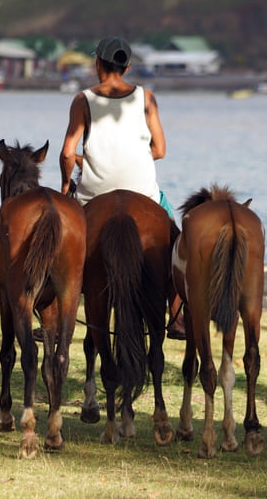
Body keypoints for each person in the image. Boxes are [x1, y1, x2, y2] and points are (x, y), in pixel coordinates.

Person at [59, 36, 185, 339]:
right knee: (175, 239)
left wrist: (65, 184)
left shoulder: (82, 100)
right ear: (127, 68)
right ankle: (176, 314)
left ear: (97, 64)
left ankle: (52, 307)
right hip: (144, 191)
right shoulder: (147, 98)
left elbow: (66, 153)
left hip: (93, 193)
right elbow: (160, 150)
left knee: (59, 242)